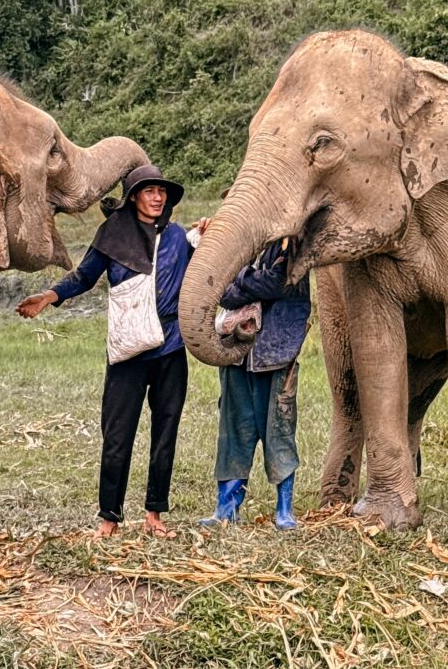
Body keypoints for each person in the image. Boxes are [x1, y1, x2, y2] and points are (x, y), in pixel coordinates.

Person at [16, 164, 199, 539]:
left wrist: (207, 237)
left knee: (166, 433)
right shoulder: (112, 235)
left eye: (161, 192)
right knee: (117, 435)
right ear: (133, 197)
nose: (157, 197)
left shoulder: (179, 238)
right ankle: (110, 518)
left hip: (171, 348)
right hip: (129, 352)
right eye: (149, 191)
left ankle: (154, 515)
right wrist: (51, 296)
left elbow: (200, 273)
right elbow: (85, 277)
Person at [199, 236, 311, 530]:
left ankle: (284, 510)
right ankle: (226, 509)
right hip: (237, 353)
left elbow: (278, 282)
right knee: (233, 431)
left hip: (276, 353)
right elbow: (222, 292)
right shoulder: (238, 244)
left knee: (279, 431)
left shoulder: (294, 244)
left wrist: (240, 277)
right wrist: (250, 280)